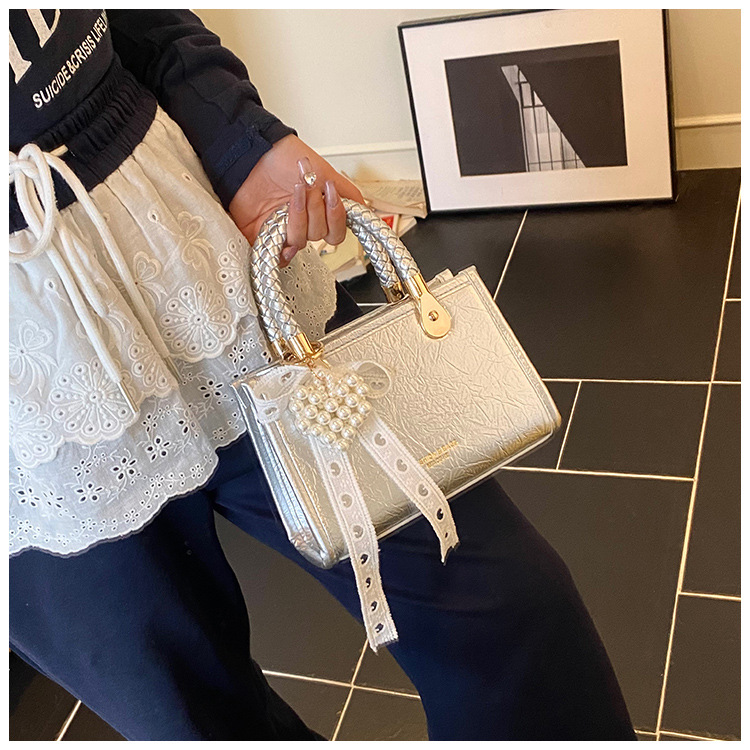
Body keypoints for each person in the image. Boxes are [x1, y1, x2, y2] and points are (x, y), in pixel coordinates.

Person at [9, 10, 637, 741]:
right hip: (24, 406)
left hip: (188, 255)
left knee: (505, 608)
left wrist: (240, 137)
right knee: (196, 721)